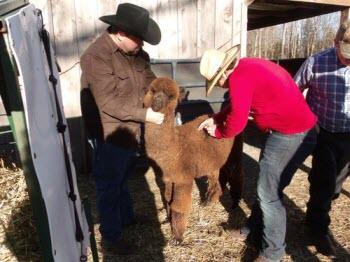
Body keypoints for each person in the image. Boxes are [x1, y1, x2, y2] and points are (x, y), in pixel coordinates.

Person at [197, 45, 318, 262]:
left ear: (223, 72)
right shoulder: (247, 67)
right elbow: (238, 106)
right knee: (267, 186)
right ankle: (253, 230)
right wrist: (217, 117)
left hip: (291, 134)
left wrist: (218, 130)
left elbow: (237, 123)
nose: (220, 87)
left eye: (218, 82)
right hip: (291, 131)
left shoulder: (239, 79)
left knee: (268, 193)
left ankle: (272, 254)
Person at [80, 3, 164, 255]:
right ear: (121, 34)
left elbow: (150, 80)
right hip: (110, 131)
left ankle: (126, 217)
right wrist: (146, 115)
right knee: (109, 184)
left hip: (132, 128)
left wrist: (163, 92)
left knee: (124, 177)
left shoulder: (137, 54)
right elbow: (108, 103)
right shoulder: (96, 56)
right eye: (139, 38)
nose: (143, 44)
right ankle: (111, 237)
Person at [294, 19, 350, 259]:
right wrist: (308, 122)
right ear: (335, 43)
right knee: (323, 183)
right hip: (323, 132)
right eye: (346, 54)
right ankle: (316, 229)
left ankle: (319, 208)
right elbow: (293, 92)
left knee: (335, 185)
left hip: (349, 135)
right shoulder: (316, 62)